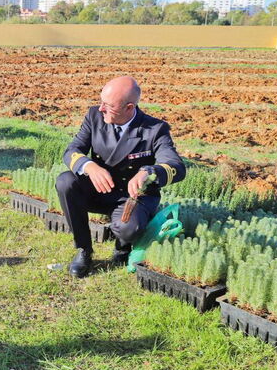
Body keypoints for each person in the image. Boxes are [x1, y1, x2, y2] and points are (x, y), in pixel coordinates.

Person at [57, 76, 186, 278]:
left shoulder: (155, 129)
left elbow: (176, 166)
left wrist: (148, 172)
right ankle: (84, 250)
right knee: (66, 181)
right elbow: (72, 150)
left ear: (129, 107)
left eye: (108, 105)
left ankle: (124, 243)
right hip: (100, 190)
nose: (101, 108)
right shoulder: (94, 116)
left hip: (131, 198)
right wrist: (89, 166)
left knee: (127, 228)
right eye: (101, 102)